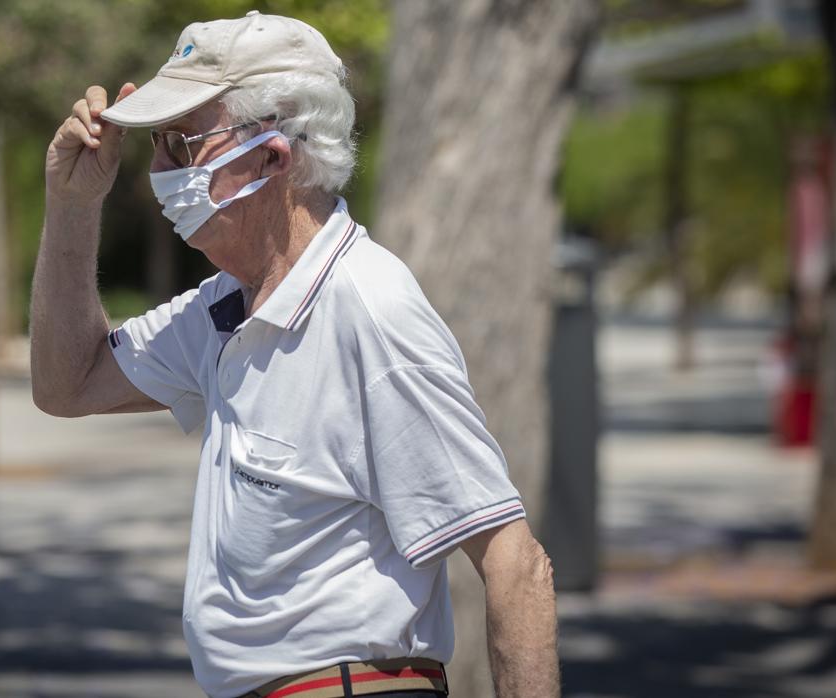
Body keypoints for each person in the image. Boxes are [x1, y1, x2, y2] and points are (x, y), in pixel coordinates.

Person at [30, 10, 558, 698]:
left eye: (181, 145)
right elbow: (67, 384)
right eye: (158, 143)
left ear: (273, 157)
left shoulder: (369, 308)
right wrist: (72, 204)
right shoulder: (227, 303)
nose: (158, 171)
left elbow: (516, 565)